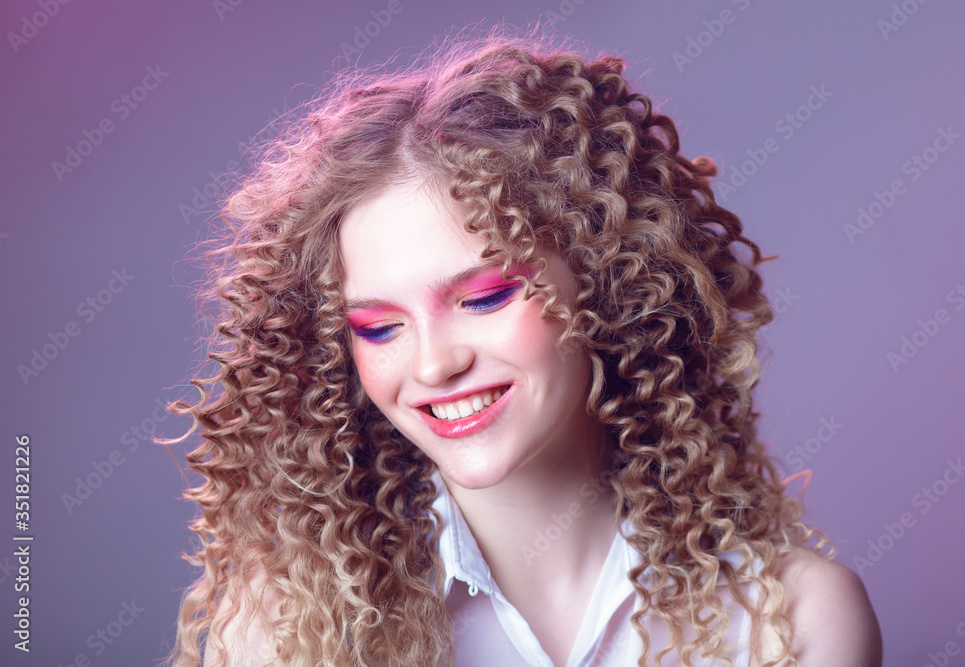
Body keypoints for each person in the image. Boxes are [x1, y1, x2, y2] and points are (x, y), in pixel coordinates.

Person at [165, 27, 881, 667]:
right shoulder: (284, 633)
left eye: (483, 298)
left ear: (606, 283)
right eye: (379, 327)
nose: (434, 363)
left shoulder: (794, 624)